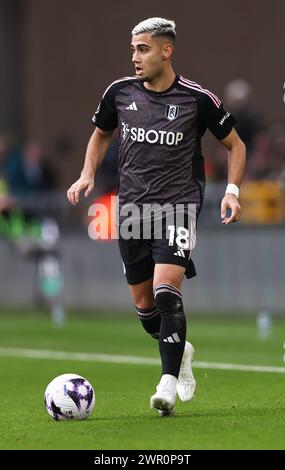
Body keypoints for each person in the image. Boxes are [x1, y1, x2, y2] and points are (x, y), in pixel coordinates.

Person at [67, 17, 246, 417]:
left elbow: (235, 145)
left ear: (167, 50)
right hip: (132, 210)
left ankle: (166, 385)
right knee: (147, 309)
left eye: (143, 49)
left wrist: (232, 191)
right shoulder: (118, 93)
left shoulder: (198, 100)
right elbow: (100, 134)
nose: (135, 57)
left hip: (178, 207)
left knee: (167, 292)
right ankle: (180, 352)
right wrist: (87, 174)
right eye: (132, 49)